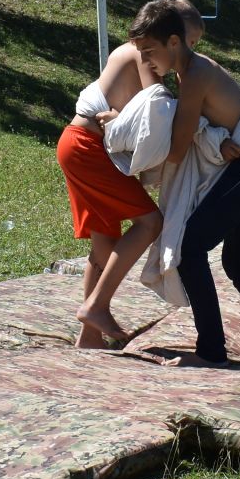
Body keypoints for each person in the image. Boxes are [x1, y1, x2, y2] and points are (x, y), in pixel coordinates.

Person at [128, 0, 240, 366]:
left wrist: (128, 152)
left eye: (150, 52)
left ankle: (211, 351)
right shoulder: (190, 73)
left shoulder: (196, 73)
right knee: (238, 260)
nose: (147, 62)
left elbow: (178, 146)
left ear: (174, 42)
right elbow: (206, 127)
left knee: (190, 245)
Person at [58, 22, 165, 350]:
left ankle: (89, 336)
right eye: (188, 42)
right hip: (88, 148)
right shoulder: (144, 55)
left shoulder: (129, 51)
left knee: (105, 239)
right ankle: (96, 306)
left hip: (75, 143)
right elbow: (157, 108)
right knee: (151, 222)